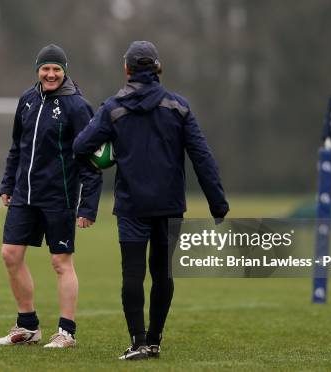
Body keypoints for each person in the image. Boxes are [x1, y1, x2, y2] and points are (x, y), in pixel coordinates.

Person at [73, 41, 229, 360]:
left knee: (132, 274)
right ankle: (155, 341)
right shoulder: (179, 107)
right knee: (163, 274)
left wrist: (108, 156)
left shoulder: (113, 107)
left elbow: (81, 145)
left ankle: (138, 342)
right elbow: (202, 156)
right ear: (158, 69)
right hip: (170, 205)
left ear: (127, 69)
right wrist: (218, 203)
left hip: (132, 206)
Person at [0, 44, 102, 348]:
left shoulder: (77, 106)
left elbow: (91, 159)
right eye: (45, 68)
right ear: (38, 70)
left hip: (60, 197)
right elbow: (17, 146)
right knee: (10, 254)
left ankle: (66, 332)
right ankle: (27, 327)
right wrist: (8, 184)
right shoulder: (27, 100)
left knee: (60, 262)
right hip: (24, 195)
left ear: (64, 70)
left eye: (56, 69)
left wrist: (88, 206)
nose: (50, 74)